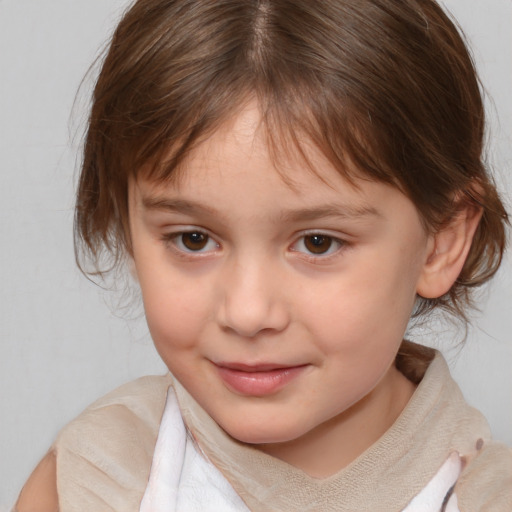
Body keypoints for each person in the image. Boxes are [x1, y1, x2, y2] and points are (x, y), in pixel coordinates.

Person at [15, 0, 512, 510]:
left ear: (442, 240)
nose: (248, 313)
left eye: (318, 242)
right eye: (193, 239)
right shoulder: (93, 482)